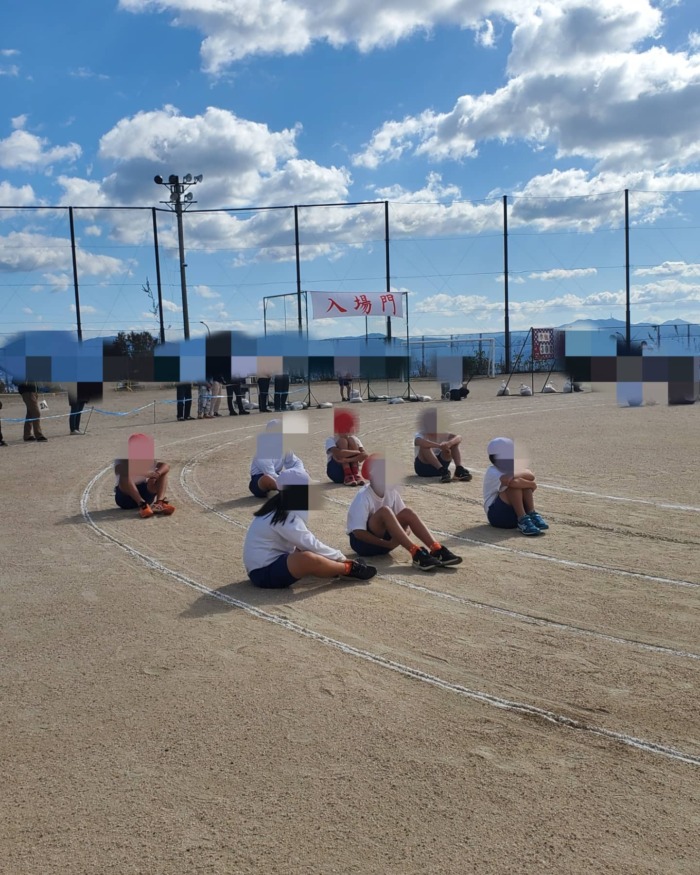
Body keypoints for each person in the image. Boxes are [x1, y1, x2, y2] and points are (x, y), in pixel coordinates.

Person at [243, 467, 376, 589]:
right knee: (308, 558)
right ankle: (347, 569)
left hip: (267, 566)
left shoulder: (279, 508)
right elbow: (309, 543)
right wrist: (340, 557)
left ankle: (331, 566)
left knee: (305, 552)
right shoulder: (284, 516)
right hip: (263, 573)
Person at [347, 455, 462, 570]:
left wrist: (400, 538)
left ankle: (436, 549)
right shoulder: (363, 496)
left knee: (407, 512)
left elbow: (406, 521)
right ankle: (415, 552)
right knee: (385, 511)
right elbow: (358, 533)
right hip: (364, 545)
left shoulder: (391, 491)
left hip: (387, 542)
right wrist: (387, 544)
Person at [483, 436, 549, 537]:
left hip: (513, 514)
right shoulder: (492, 471)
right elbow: (512, 483)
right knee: (512, 485)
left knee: (521, 481)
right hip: (498, 516)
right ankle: (523, 519)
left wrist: (514, 475)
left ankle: (531, 514)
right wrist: (532, 485)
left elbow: (530, 475)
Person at [249, 419, 307, 498]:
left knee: (301, 472)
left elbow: (296, 463)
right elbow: (270, 473)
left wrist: (300, 473)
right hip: (259, 479)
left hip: (277, 475)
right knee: (267, 478)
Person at [414, 408, 470, 483]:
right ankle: (442, 470)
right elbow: (418, 442)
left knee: (453, 443)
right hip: (423, 468)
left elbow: (459, 437)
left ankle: (459, 469)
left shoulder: (442, 433)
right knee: (424, 446)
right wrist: (439, 446)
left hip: (442, 467)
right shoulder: (421, 434)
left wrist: (449, 443)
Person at [325, 410, 368, 486]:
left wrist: (348, 460)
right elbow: (340, 454)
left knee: (352, 440)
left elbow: (364, 455)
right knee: (342, 441)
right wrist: (357, 452)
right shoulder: (331, 439)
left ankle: (354, 473)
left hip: (352, 469)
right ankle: (347, 474)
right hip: (337, 470)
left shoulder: (355, 439)